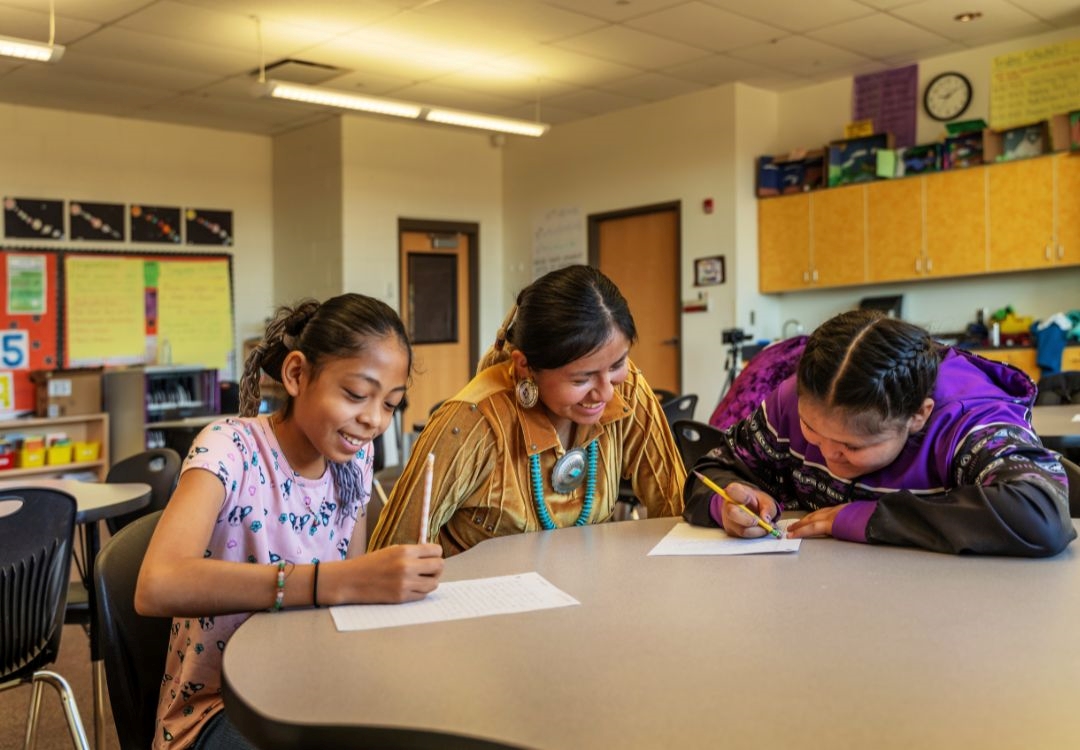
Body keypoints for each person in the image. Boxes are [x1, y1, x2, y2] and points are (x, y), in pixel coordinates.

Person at [135, 294, 445, 750]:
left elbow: (345, 598)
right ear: (297, 374)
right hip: (223, 706)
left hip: (318, 683)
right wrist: (328, 582)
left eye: (391, 405)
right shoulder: (228, 448)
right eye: (357, 395)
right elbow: (156, 585)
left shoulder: (356, 461)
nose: (374, 419)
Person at [684, 309, 1075, 557]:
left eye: (853, 446)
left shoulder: (967, 420)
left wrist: (869, 518)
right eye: (811, 431)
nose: (826, 455)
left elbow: (1039, 513)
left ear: (918, 416)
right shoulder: (799, 399)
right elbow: (709, 471)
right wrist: (727, 503)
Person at [369, 265, 686, 556]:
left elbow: (677, 508)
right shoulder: (471, 421)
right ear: (525, 366)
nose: (605, 391)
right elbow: (391, 554)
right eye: (581, 378)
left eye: (618, 364)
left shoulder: (625, 389)